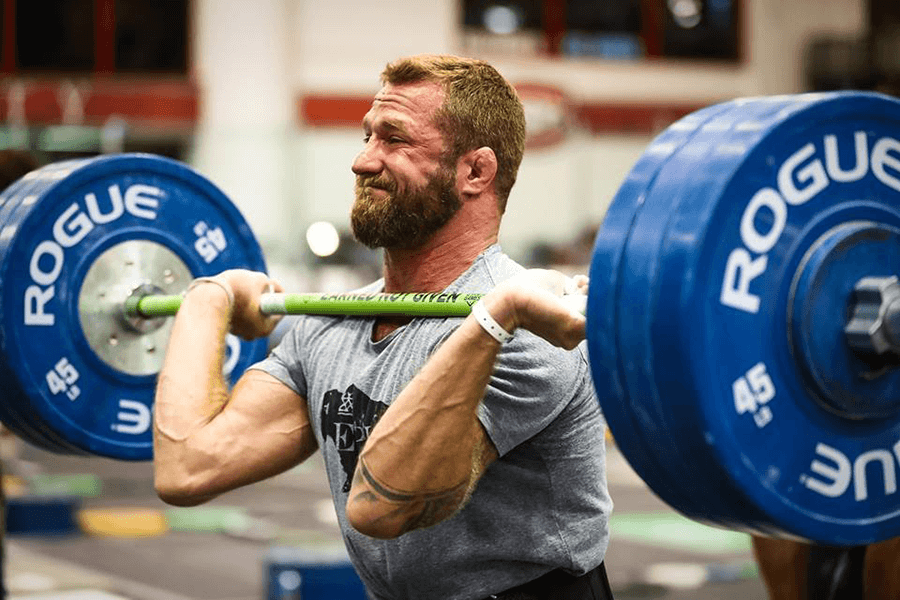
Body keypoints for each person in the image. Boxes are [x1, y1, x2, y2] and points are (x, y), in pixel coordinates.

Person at [153, 54, 614, 600]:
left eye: (394, 140)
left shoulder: (534, 329)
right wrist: (212, 296)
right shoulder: (332, 326)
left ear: (475, 172)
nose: (363, 161)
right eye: (367, 136)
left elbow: (385, 506)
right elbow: (186, 468)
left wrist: (498, 314)